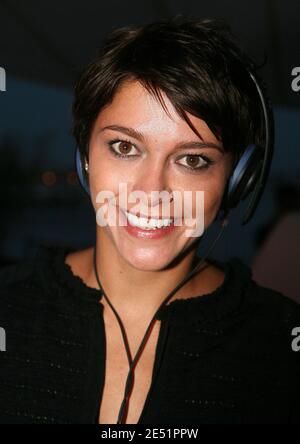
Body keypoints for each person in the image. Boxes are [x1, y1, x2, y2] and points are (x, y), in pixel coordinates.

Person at [0, 16, 299, 425]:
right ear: (85, 157)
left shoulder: (280, 346)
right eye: (124, 147)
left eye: (192, 160)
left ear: (236, 182)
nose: (151, 191)